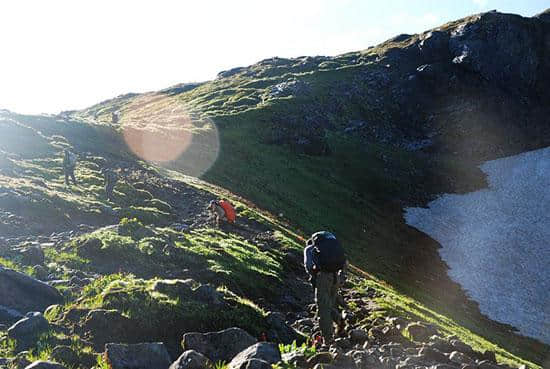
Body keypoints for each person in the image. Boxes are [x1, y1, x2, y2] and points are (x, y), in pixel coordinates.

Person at [304, 231, 347, 344]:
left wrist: (314, 277)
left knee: (323, 309)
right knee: (329, 304)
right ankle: (339, 320)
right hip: (335, 276)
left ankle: (328, 340)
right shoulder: (331, 248)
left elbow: (308, 265)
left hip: (323, 277)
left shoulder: (309, 249)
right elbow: (344, 261)